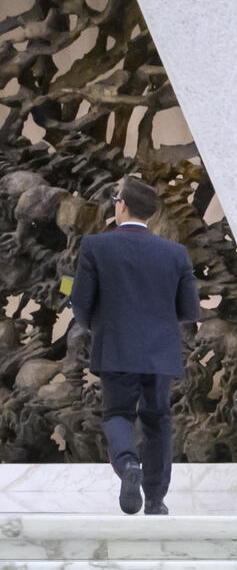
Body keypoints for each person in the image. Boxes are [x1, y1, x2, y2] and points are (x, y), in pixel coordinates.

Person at [69, 174, 198, 514]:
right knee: (158, 422)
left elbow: (80, 302)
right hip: (160, 352)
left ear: (122, 205)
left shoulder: (95, 246)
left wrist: (97, 328)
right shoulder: (176, 253)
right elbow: (190, 310)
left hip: (114, 349)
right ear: (150, 214)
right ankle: (156, 500)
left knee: (117, 415)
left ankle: (128, 466)